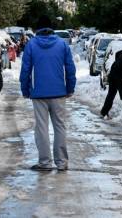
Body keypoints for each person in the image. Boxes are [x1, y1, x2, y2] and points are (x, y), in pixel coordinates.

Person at [20, 15, 76, 172]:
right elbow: (70, 68)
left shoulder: (31, 45)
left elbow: (25, 70)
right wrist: (70, 88)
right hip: (59, 93)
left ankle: (45, 163)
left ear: (38, 29)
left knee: (41, 128)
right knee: (60, 127)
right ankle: (62, 162)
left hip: (39, 94)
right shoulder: (61, 44)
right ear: (51, 29)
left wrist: (25, 90)